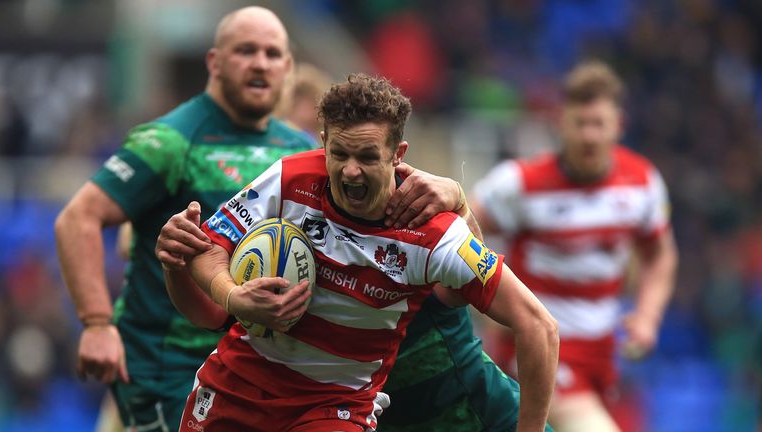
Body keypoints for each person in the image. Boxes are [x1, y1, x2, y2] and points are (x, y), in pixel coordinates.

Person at [55, 7, 469, 431]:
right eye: (246, 51)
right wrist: (97, 323)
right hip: (171, 361)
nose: (260, 63)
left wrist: (457, 195)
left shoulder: (300, 150)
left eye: (272, 54)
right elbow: (85, 221)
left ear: (287, 68)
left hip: (263, 365)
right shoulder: (170, 140)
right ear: (214, 63)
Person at [162, 73, 558, 432]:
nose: (350, 171)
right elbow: (209, 248)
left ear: (397, 154)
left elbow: (538, 326)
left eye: (367, 157)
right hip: (237, 387)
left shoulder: (432, 231)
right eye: (339, 154)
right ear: (323, 144)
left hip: (333, 408)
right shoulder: (290, 179)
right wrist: (232, 295)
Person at [469, 60, 679, 432]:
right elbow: (459, 230)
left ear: (618, 126)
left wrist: (647, 316)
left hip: (602, 352)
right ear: (560, 124)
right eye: (579, 123)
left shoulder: (642, 182)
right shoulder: (519, 185)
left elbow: (659, 253)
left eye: (598, 124)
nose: (588, 136)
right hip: (537, 348)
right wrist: (489, 299)